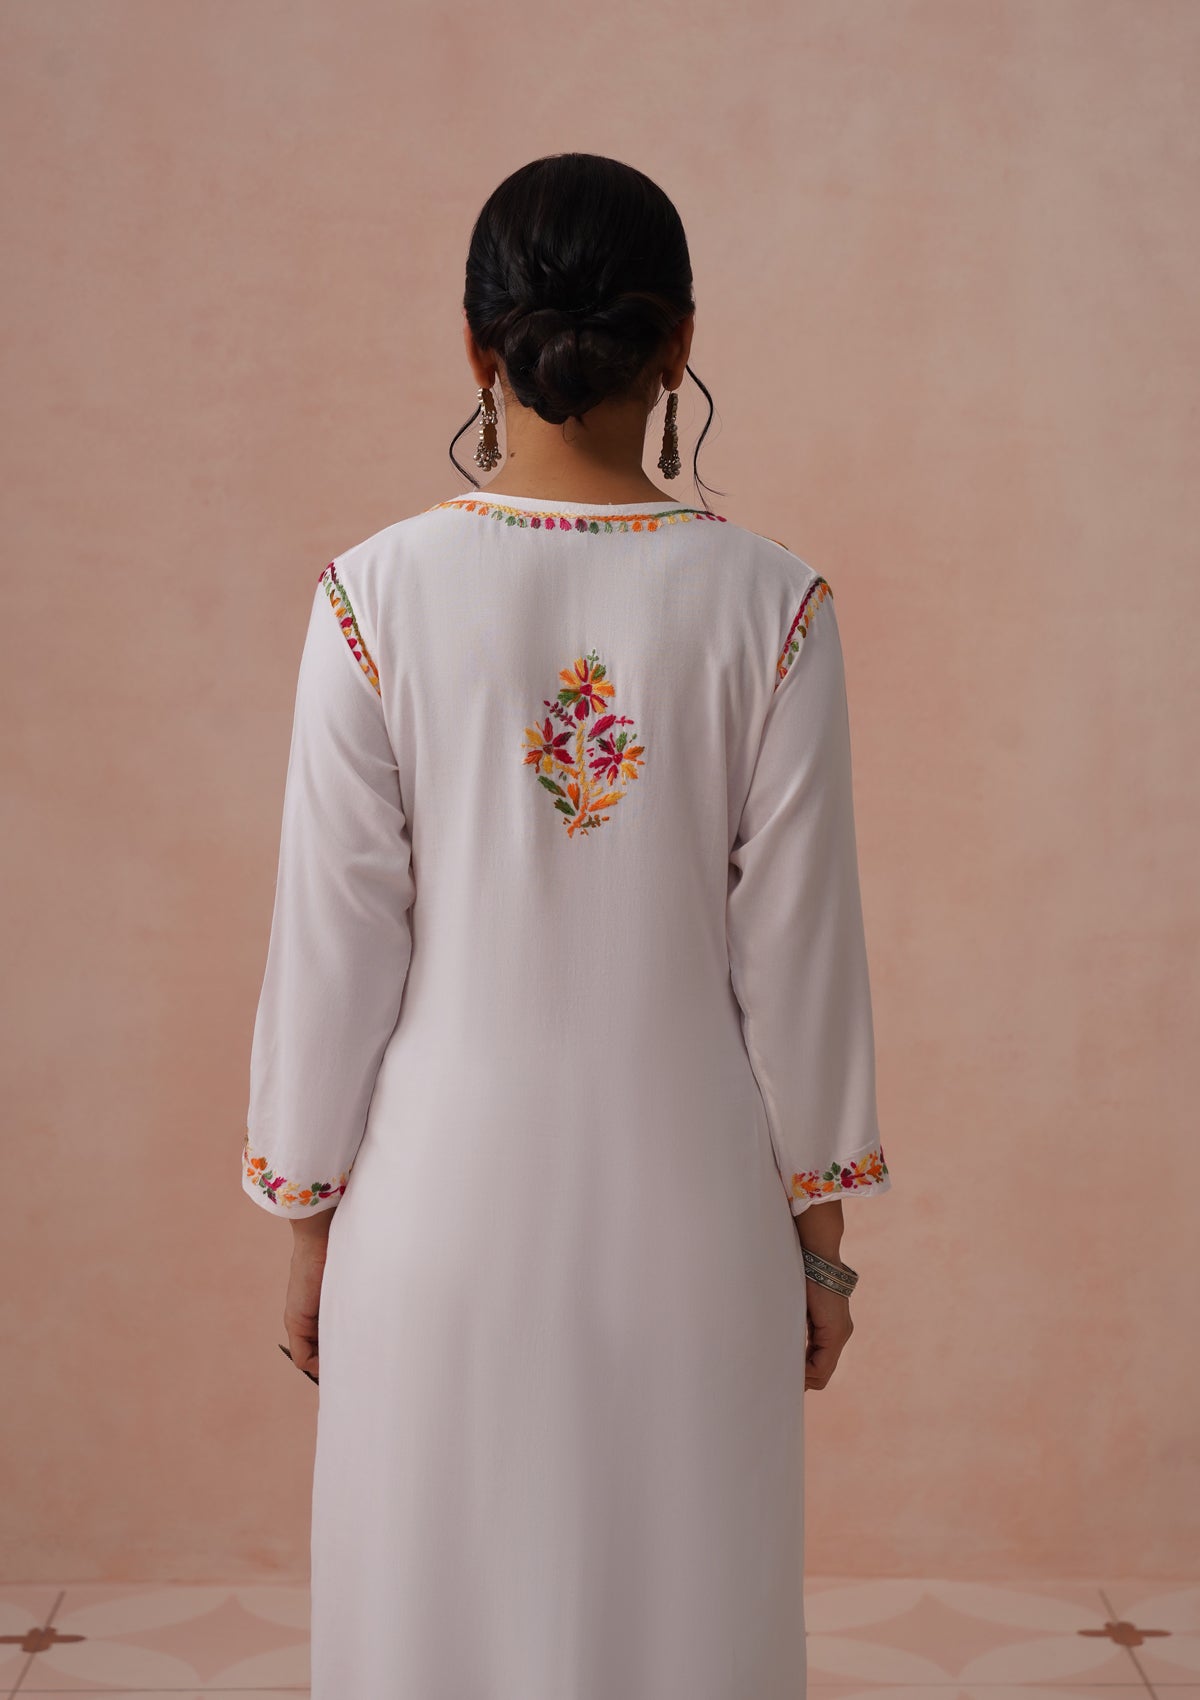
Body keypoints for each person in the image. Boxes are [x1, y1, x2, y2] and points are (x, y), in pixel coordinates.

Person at [242, 150, 892, 1700]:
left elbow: (336, 948)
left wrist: (308, 1222)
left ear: (477, 344)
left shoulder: (369, 600)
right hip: (694, 1231)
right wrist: (822, 1254)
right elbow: (799, 958)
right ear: (680, 343)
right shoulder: (776, 607)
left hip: (435, 1230)